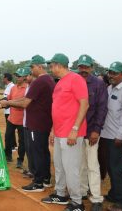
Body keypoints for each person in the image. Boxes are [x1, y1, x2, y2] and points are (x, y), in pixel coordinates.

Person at [0, 55, 55, 192]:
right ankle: (45, 179)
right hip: (43, 122)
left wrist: (7, 103)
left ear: (40, 66)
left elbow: (25, 102)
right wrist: (8, 103)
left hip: (37, 123)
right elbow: (25, 99)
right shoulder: (47, 80)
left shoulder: (40, 81)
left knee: (37, 152)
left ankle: (38, 182)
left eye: (32, 67)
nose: (30, 71)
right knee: (42, 152)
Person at [42, 53, 89, 211]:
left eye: (52, 65)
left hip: (72, 132)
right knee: (60, 166)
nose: (50, 68)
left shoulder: (76, 79)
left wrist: (75, 129)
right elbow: (58, 108)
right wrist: (53, 130)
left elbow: (84, 105)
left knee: (71, 168)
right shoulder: (60, 82)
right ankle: (60, 193)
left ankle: (77, 202)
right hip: (59, 132)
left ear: (58, 65)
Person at [100, 62, 122, 211]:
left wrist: (120, 136)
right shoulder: (108, 88)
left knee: (117, 169)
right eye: (110, 72)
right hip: (106, 135)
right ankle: (114, 194)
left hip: (117, 137)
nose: (111, 75)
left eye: (115, 73)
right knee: (109, 166)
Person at [76, 54, 108, 211]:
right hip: (76, 131)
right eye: (81, 67)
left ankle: (96, 198)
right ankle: (82, 191)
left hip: (90, 131)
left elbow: (102, 109)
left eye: (86, 67)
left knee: (92, 164)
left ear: (91, 68)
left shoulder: (98, 84)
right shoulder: (74, 81)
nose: (83, 70)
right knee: (80, 164)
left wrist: (96, 130)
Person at [3, 68, 28, 170]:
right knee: (8, 137)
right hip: (11, 118)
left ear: (25, 77)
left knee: (22, 142)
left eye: (19, 76)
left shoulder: (27, 88)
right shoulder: (13, 88)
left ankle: (20, 160)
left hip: (22, 120)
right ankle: (8, 156)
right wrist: (1, 103)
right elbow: (8, 100)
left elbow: (23, 104)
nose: (17, 78)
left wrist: (9, 103)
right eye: (16, 76)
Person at [2, 73, 16, 149]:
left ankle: (12, 146)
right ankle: (14, 145)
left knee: (10, 130)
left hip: (10, 111)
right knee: (11, 129)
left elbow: (8, 99)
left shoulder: (11, 87)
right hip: (7, 110)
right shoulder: (8, 86)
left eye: (3, 77)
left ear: (6, 78)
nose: (2, 79)